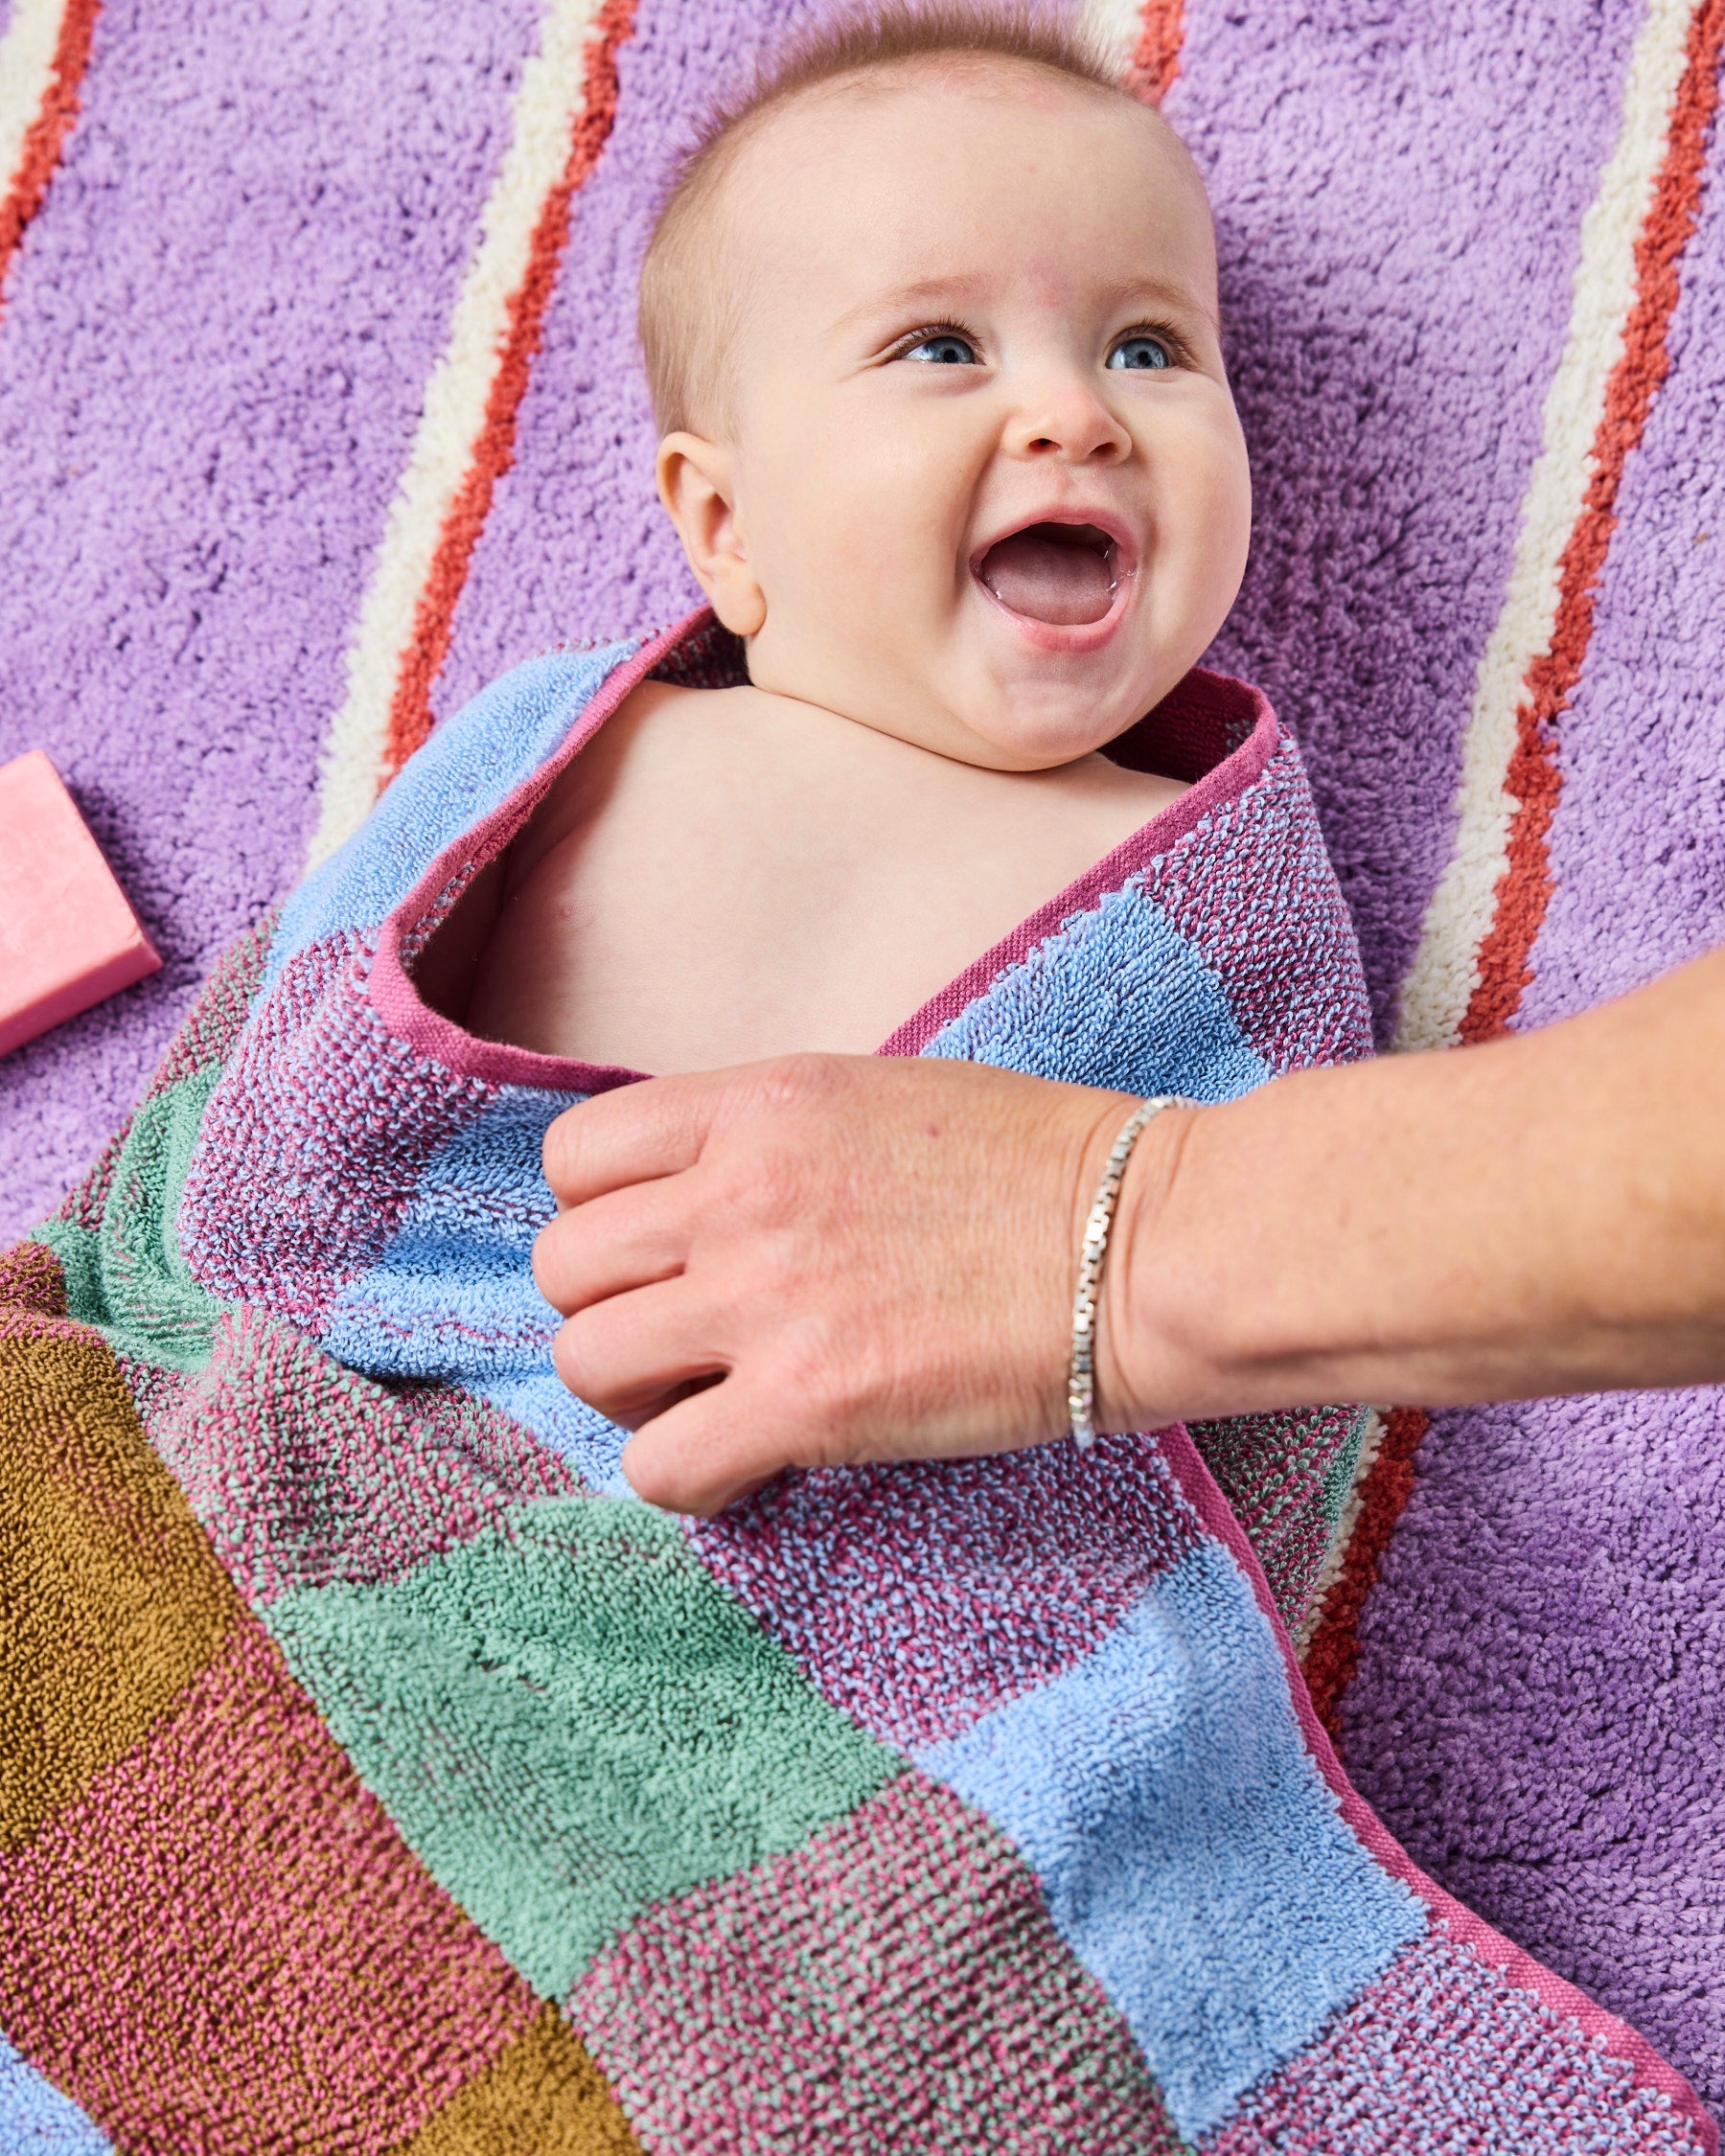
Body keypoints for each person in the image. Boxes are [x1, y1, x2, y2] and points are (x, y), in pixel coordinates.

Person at [533, 940, 1725, 1513]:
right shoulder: (545, 750)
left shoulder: (1234, 897)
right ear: (720, 525)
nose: (1086, 428)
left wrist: (1122, 1232)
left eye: (1186, 421)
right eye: (929, 421)